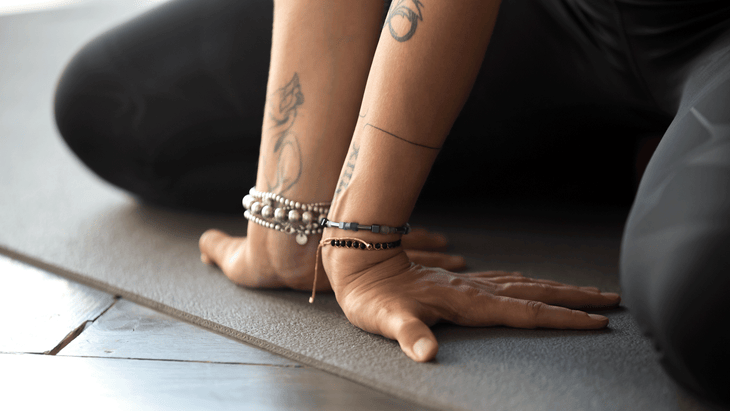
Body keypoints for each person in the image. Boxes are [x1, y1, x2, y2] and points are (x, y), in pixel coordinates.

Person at [54, 0, 730, 406]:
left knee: (708, 301)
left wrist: (362, 240)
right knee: (116, 108)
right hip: (554, 17)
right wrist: (289, 222)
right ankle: (618, 149)